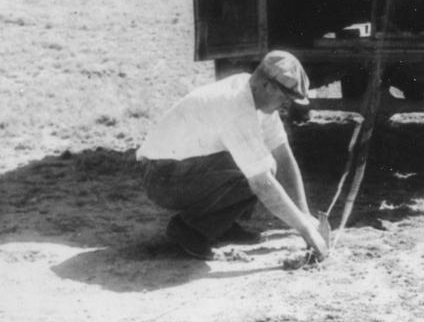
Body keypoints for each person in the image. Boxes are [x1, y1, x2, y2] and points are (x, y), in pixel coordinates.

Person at [137, 50, 331, 261]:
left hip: (181, 171)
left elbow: (283, 157)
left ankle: (219, 225)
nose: (287, 105)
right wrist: (306, 231)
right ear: (268, 86)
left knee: (263, 162)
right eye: (286, 97)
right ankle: (188, 228)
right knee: (254, 170)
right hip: (162, 179)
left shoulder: (256, 97)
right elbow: (262, 184)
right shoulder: (236, 104)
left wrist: (306, 216)